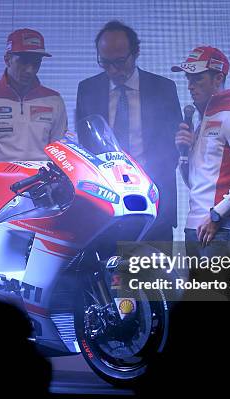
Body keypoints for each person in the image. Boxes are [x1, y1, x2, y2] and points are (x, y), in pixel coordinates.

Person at [76, 20, 182, 245]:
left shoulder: (163, 88)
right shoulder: (88, 89)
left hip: (154, 206)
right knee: (107, 279)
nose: (114, 70)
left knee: (153, 278)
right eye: (105, 63)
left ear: (136, 53)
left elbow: (174, 148)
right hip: (104, 208)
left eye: (120, 61)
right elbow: (84, 147)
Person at [172, 46, 230, 258]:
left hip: (223, 230)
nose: (190, 86)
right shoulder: (203, 121)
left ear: (218, 78)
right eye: (188, 79)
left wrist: (217, 215)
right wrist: (184, 155)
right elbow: (196, 182)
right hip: (197, 227)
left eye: (198, 79)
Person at [0, 28, 68, 183]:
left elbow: (60, 155)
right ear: (7, 59)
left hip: (42, 192)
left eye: (36, 63)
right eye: (23, 61)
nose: (30, 70)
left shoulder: (54, 100)